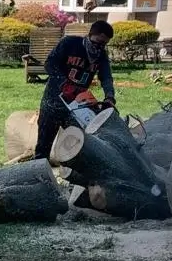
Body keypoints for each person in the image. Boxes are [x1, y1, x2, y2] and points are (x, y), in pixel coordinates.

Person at [34, 19, 116, 159]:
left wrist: (109, 97)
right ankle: (39, 168)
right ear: (89, 35)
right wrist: (63, 83)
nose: (98, 47)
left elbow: (106, 77)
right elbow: (49, 64)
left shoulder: (101, 55)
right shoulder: (69, 43)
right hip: (53, 100)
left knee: (79, 145)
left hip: (77, 105)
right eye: (96, 42)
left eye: (103, 44)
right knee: (43, 147)